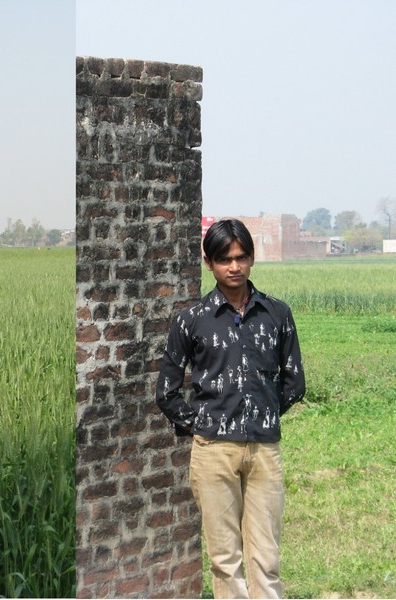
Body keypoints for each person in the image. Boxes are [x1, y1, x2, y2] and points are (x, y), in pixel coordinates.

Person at [155, 218, 305, 599]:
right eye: (225, 259)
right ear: (210, 263)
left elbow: (293, 382)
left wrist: (261, 414)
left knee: (266, 557)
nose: (234, 267)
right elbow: (167, 392)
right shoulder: (191, 321)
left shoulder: (277, 314)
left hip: (264, 451)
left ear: (252, 258)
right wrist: (205, 424)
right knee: (225, 559)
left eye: (241, 257)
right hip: (213, 452)